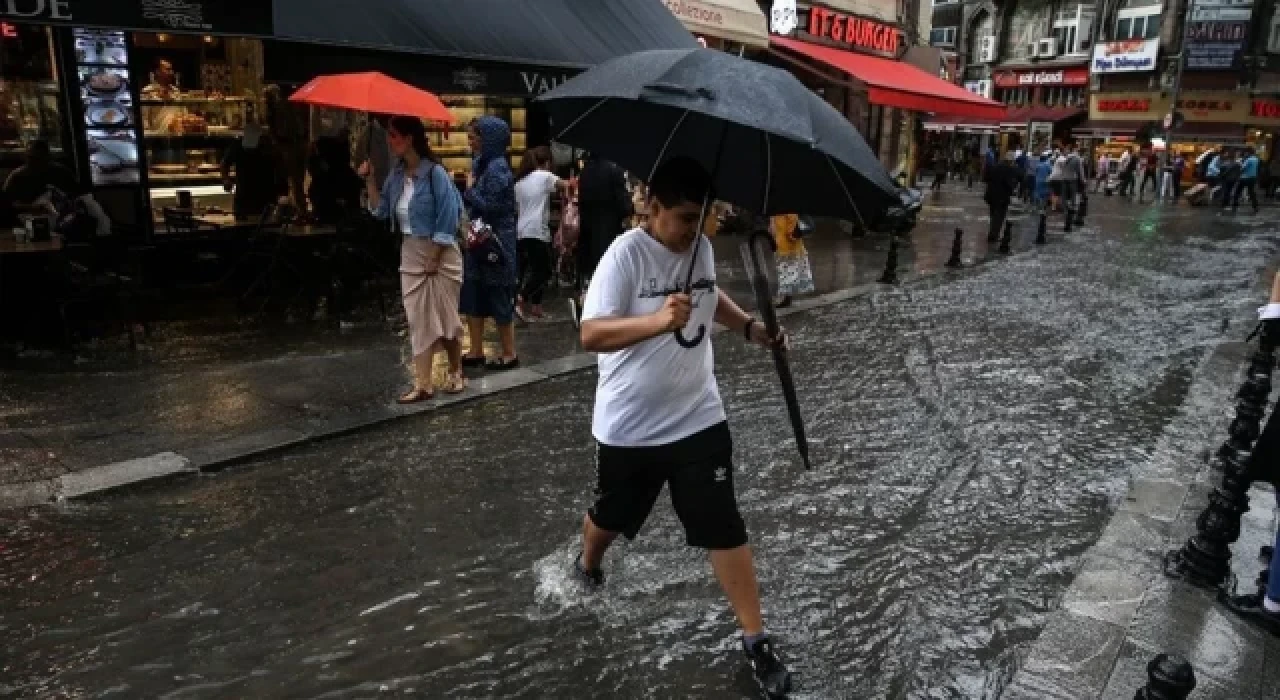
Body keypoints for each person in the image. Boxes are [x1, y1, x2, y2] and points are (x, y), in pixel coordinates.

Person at [574, 156, 792, 698]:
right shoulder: (624, 256)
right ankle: (588, 562)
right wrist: (656, 321)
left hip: (698, 416)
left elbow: (710, 296)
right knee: (611, 518)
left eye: (702, 218)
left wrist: (750, 328)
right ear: (653, 207)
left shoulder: (702, 249)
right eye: (685, 218)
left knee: (723, 523)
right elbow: (591, 334)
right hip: (630, 427)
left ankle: (756, 639)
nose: (694, 230)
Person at [362, 115, 467, 403]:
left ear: (409, 139)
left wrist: (435, 255)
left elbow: (448, 215)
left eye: (394, 135)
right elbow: (381, 211)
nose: (390, 141)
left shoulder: (435, 174)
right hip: (410, 251)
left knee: (446, 317)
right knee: (417, 318)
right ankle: (423, 383)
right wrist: (370, 179)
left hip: (440, 252)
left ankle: (456, 370)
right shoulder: (396, 176)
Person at [461, 116, 520, 371]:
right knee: (474, 292)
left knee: (498, 295)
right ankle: (476, 350)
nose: (470, 142)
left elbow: (492, 207)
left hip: (495, 243)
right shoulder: (482, 164)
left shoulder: (497, 169)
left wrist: (470, 190)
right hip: (479, 240)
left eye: (474, 137)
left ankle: (509, 352)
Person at [572, 151, 632, 325]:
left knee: (591, 273)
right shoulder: (614, 170)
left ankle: (586, 307)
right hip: (609, 232)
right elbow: (624, 206)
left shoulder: (586, 171)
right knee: (609, 274)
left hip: (588, 231)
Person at [514, 146, 565, 321]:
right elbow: (565, 185)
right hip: (537, 230)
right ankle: (521, 297)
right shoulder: (544, 176)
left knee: (534, 269)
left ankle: (537, 307)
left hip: (522, 230)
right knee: (544, 271)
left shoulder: (519, 183)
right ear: (547, 162)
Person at [220, 123, 288, 221]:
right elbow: (225, 163)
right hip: (246, 196)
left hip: (262, 196)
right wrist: (226, 179)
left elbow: (280, 170)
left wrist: (226, 179)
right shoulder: (239, 146)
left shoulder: (268, 148)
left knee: (261, 223)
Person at [4, 140, 80, 214]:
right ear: (25, 157)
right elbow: (7, 203)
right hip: (26, 217)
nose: (35, 163)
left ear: (48, 157)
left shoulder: (61, 172)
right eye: (31, 158)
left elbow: (77, 195)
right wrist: (31, 207)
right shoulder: (17, 176)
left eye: (39, 158)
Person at [307, 129, 362, 224]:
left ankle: (349, 214)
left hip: (336, 147)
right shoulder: (321, 150)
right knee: (323, 184)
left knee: (350, 183)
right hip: (325, 143)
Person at [770, 213, 814, 308]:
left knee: (787, 273)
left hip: (788, 248)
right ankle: (786, 298)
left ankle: (786, 298)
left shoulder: (786, 212)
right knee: (786, 273)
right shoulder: (776, 214)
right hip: (783, 246)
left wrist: (791, 235)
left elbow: (792, 229)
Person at [983, 151, 1020, 242]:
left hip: (991, 195)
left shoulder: (995, 166)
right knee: (999, 217)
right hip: (1002, 197)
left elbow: (986, 178)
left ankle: (992, 232)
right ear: (1011, 161)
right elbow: (1010, 183)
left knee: (993, 214)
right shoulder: (1010, 169)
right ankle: (993, 235)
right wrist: (1013, 187)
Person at [1234, 147, 1261, 214]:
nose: (1245, 154)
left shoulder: (1248, 160)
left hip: (1245, 178)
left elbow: (1243, 168)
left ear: (1248, 152)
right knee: (1251, 192)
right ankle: (1255, 206)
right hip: (1253, 177)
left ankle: (1235, 205)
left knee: (1237, 192)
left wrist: (1239, 163)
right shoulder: (1256, 159)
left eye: (1245, 153)